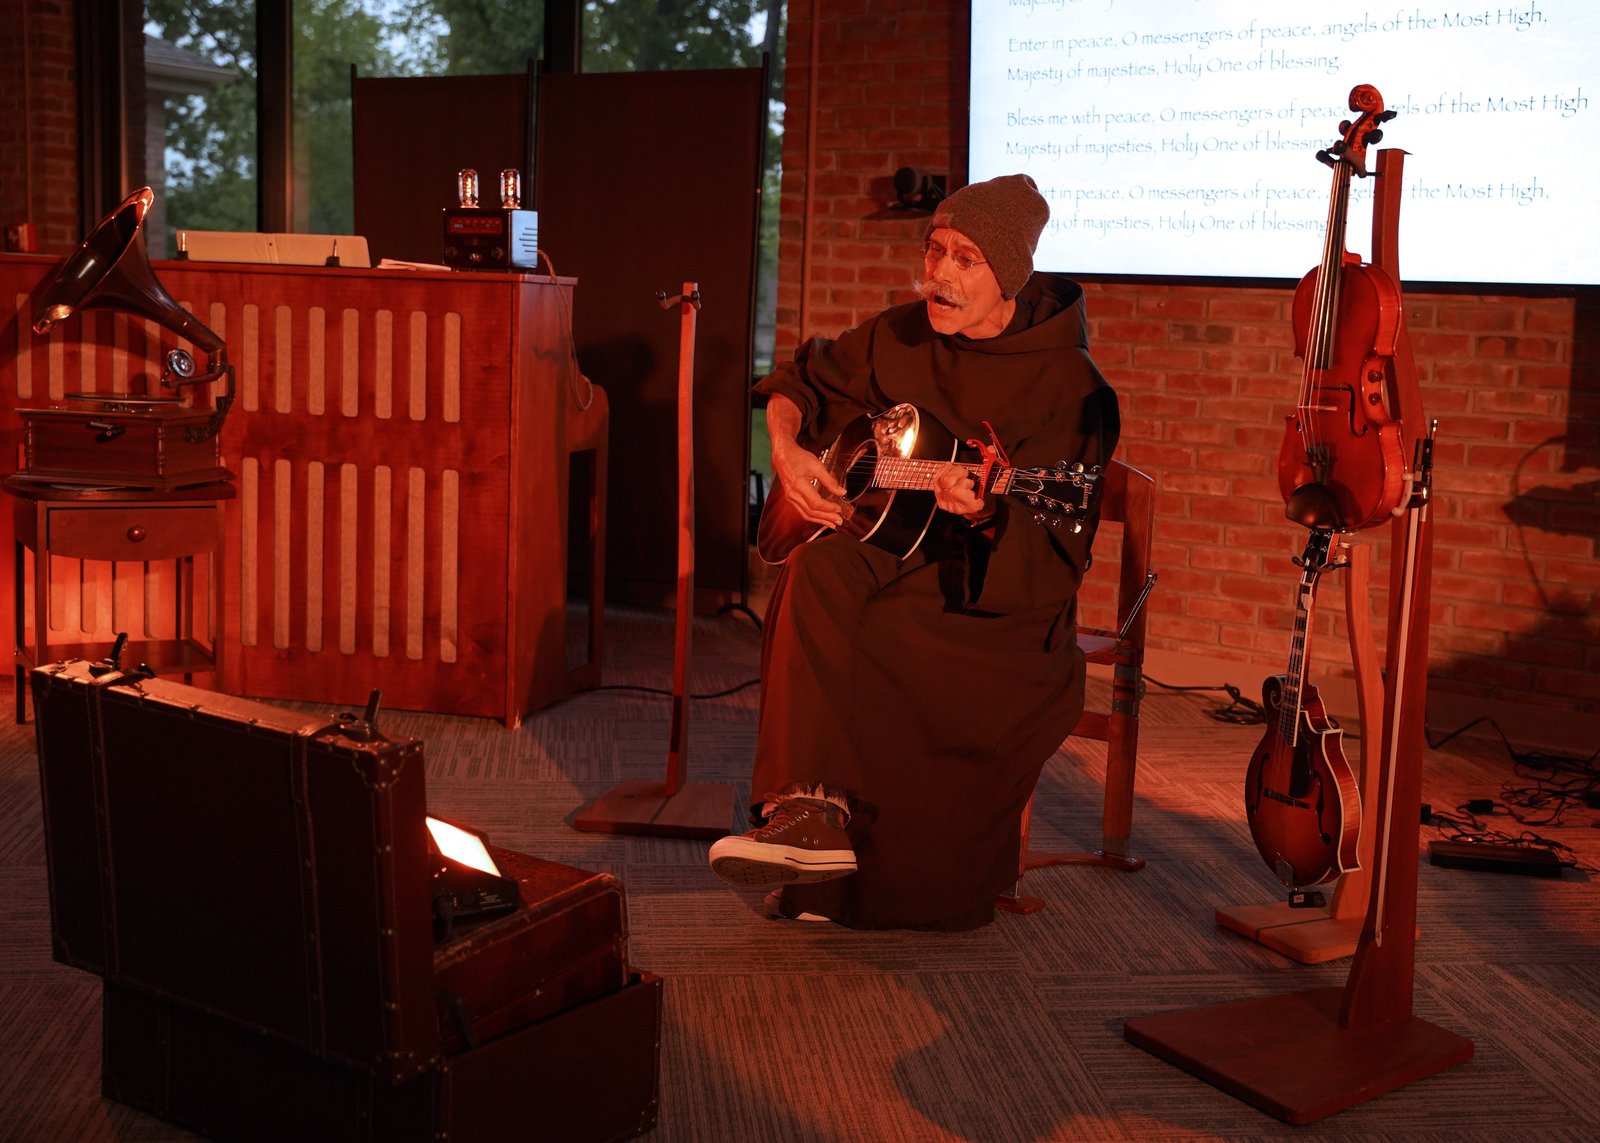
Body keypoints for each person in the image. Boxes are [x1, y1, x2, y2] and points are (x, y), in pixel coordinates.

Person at [708, 173, 1121, 930]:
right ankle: (810, 813)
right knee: (816, 568)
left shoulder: (1070, 384)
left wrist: (990, 510)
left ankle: (874, 882)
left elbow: (1057, 543)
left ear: (1010, 275)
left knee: (888, 640)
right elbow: (802, 381)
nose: (939, 274)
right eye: (935, 250)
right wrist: (790, 449)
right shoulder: (901, 332)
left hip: (990, 596)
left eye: (966, 258)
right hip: (886, 550)